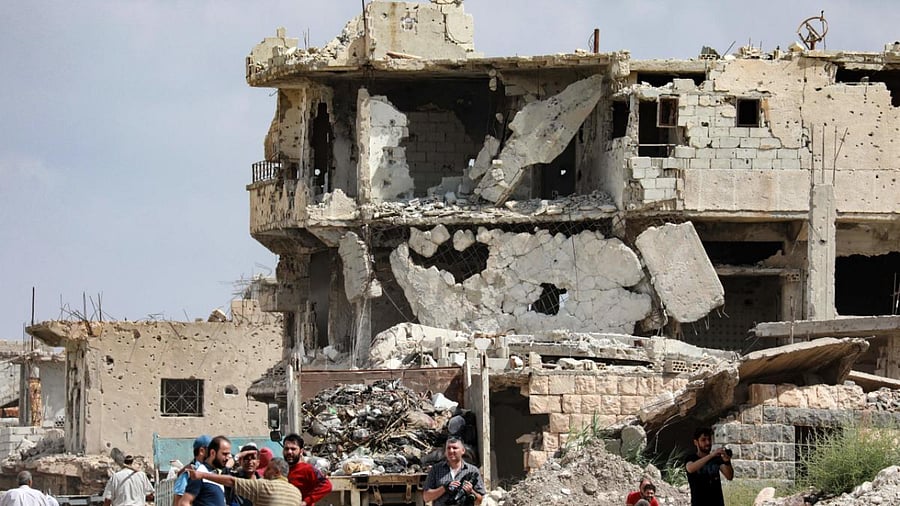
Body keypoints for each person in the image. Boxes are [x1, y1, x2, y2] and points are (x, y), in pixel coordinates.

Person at [182, 458, 301, 506]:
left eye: (268, 469)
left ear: (276, 472)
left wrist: (201, 475)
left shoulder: (265, 486)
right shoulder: (297, 493)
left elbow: (232, 481)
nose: (264, 473)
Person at [423, 438, 486, 506]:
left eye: (455, 448)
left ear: (463, 451)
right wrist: (444, 488)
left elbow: (480, 501)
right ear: (445, 452)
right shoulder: (436, 469)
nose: (451, 451)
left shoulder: (473, 471)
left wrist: (471, 491)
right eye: (448, 448)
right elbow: (426, 497)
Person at [686, 427, 733, 506]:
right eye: (703, 440)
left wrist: (727, 461)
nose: (707, 443)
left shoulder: (716, 459)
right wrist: (711, 455)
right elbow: (690, 468)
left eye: (709, 439)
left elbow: (729, 476)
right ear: (696, 442)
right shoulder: (691, 458)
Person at [179, 435, 233, 506]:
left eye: (228, 454)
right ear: (213, 453)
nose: (227, 458)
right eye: (224, 454)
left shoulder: (216, 473)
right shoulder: (200, 474)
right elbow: (184, 503)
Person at [282, 434, 332, 506]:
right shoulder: (281, 469)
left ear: (301, 451)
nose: (289, 452)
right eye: (286, 449)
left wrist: (306, 501)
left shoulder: (307, 469)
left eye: (293, 449)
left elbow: (327, 485)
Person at [174, 435, 212, 506]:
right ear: (202, 451)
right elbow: (179, 501)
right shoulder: (188, 473)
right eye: (211, 450)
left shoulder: (211, 472)